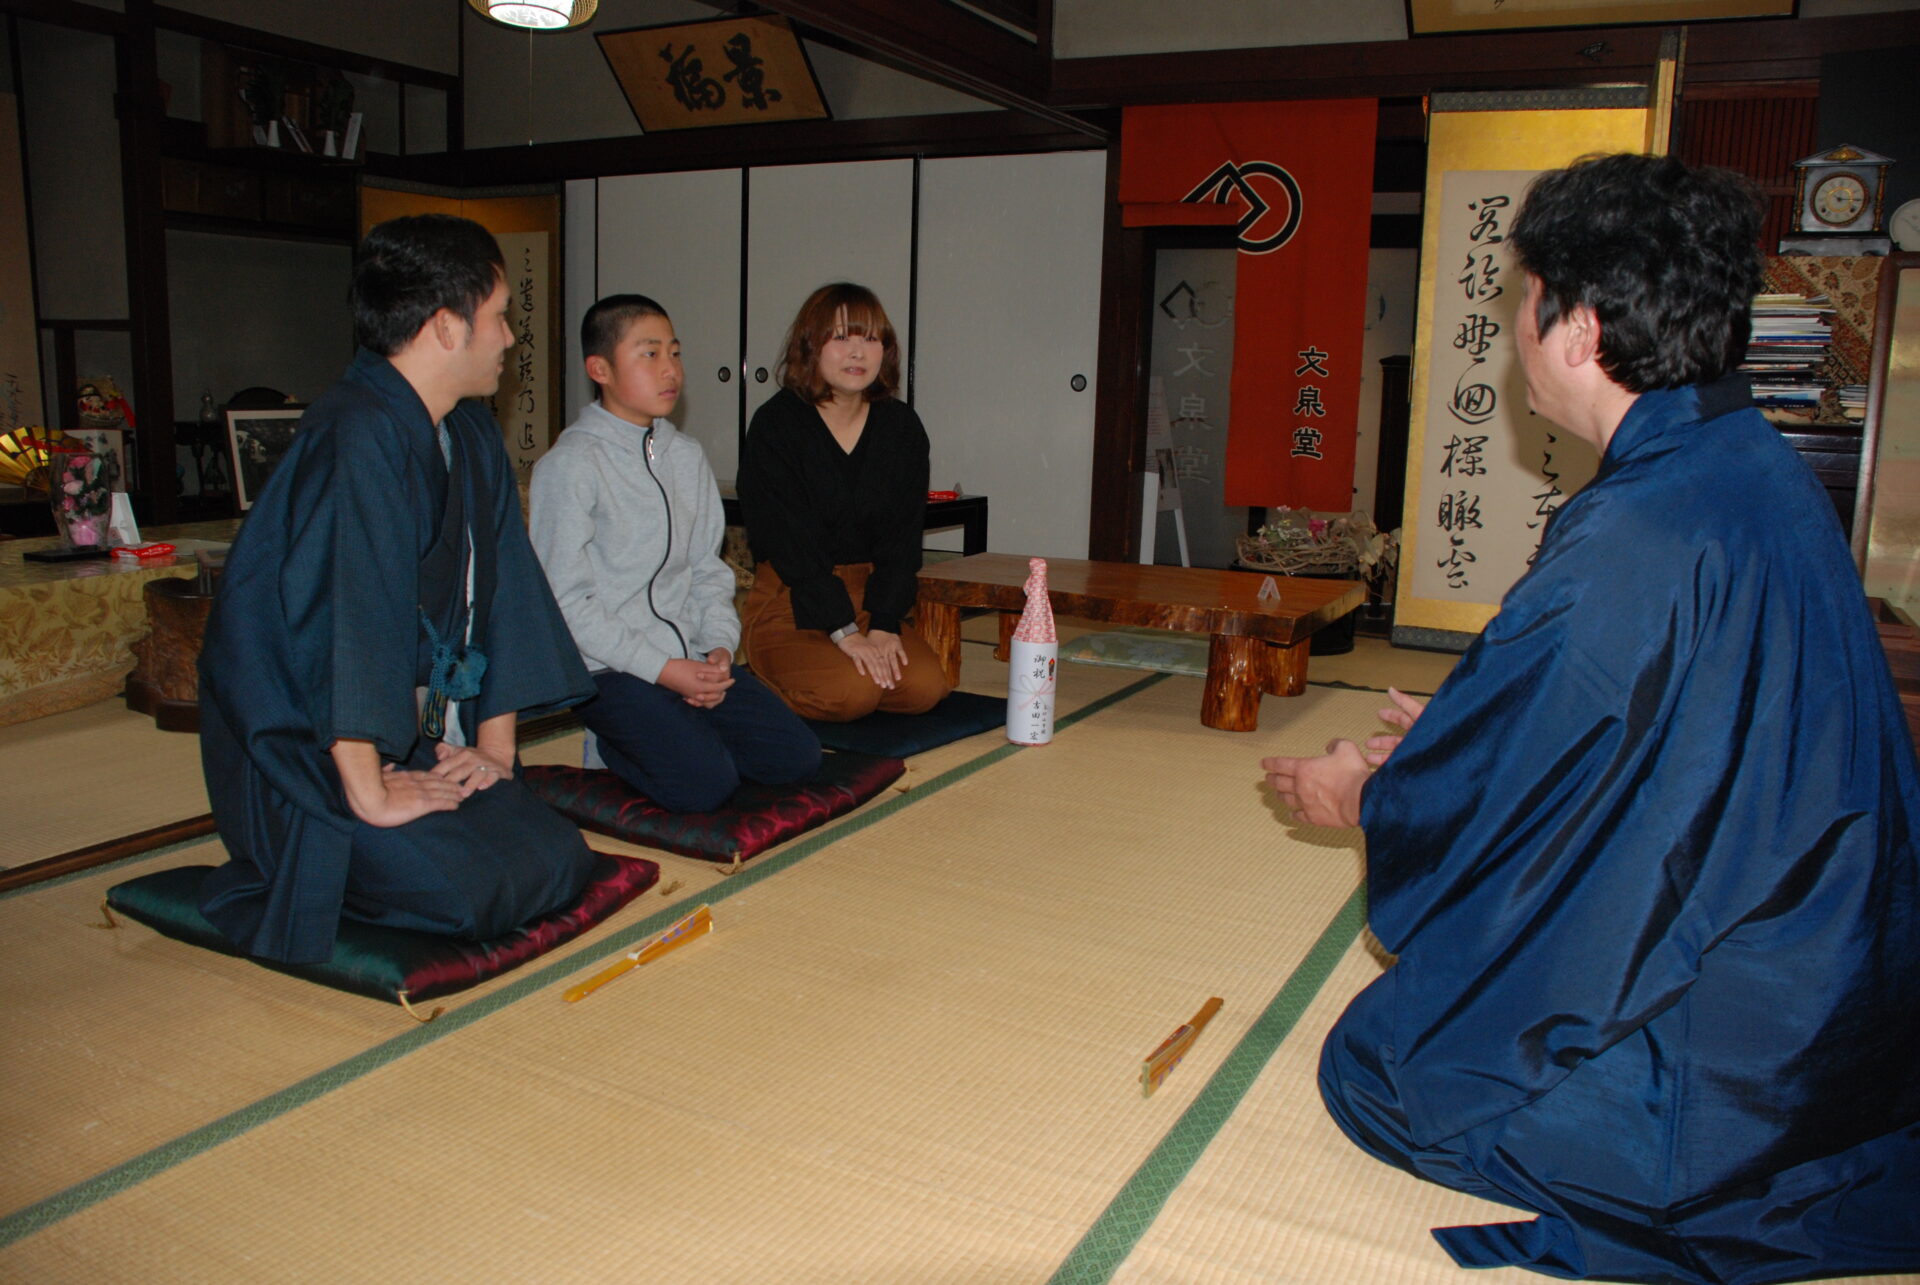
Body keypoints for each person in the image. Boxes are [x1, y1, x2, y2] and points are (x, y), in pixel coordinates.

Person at [1264, 154, 1919, 1284]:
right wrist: (1467, 740)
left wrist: (1366, 793)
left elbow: (1605, 780)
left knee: (1382, 1066)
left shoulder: (1635, 531)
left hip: (1746, 1057)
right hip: (1837, 995)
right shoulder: (1744, 462)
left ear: (1576, 325)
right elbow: (1669, 745)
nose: (1514, 322)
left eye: (1523, 295)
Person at [197, 214, 597, 966]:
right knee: (472, 892)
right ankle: (324, 844)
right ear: (446, 327)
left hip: (402, 735)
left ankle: (407, 815)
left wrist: (494, 751)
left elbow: (504, 592)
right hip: (305, 744)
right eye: (499, 316)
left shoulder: (470, 434)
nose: (511, 337)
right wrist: (371, 792)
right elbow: (350, 621)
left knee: (557, 857)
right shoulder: (354, 435)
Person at [529, 294, 819, 812]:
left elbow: (710, 569)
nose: (671, 370)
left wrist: (717, 650)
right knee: (704, 787)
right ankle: (610, 745)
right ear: (600, 369)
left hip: (688, 656)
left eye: (675, 352)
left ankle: (682, 729)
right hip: (606, 669)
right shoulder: (572, 464)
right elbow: (565, 605)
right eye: (649, 354)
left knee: (796, 758)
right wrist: (662, 669)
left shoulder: (685, 456)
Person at [736, 282, 953, 721]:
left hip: (870, 597)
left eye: (870, 338)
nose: (857, 352)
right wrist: (843, 631)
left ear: (885, 351)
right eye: (840, 337)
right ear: (809, 347)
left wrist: (886, 624)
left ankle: (842, 665)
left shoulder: (901, 427)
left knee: (926, 690)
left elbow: (903, 538)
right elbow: (788, 543)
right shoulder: (777, 425)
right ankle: (750, 687)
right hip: (792, 596)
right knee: (851, 695)